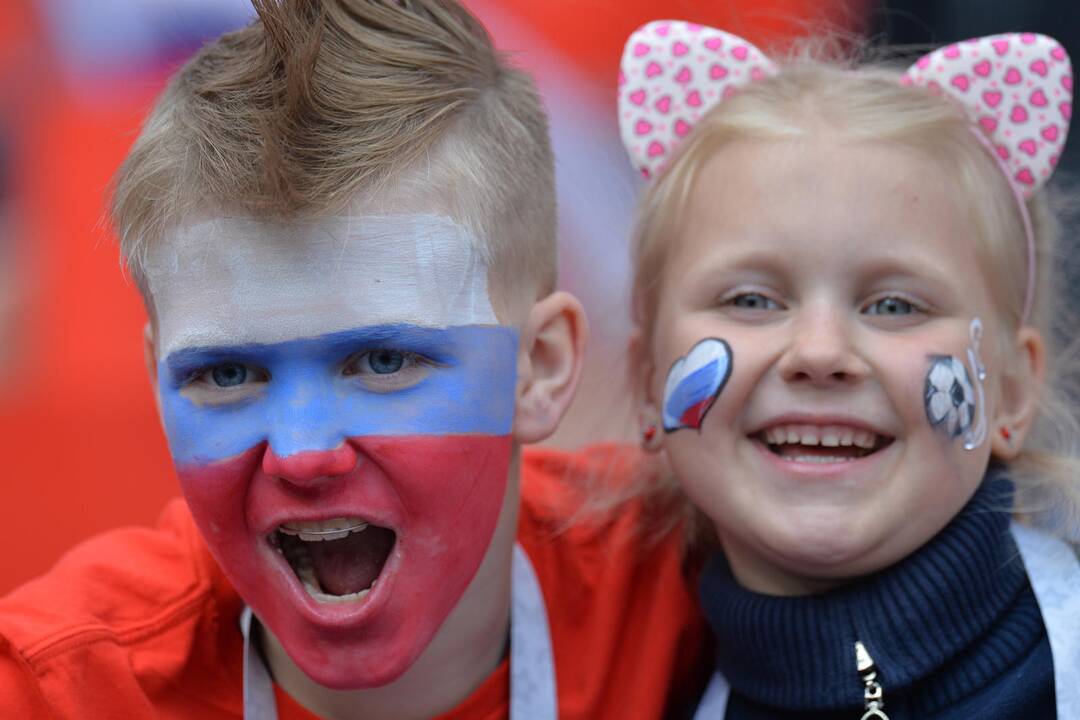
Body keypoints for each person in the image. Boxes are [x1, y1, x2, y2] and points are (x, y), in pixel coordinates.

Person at [0, 3, 707, 718]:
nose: (303, 455)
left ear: (542, 365)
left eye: (381, 361)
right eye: (228, 374)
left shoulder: (691, 577)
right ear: (159, 380)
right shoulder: (57, 688)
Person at [616, 21, 1079, 718]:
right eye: (750, 300)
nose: (821, 352)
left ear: (1012, 390)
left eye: (894, 305)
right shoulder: (644, 686)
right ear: (648, 383)